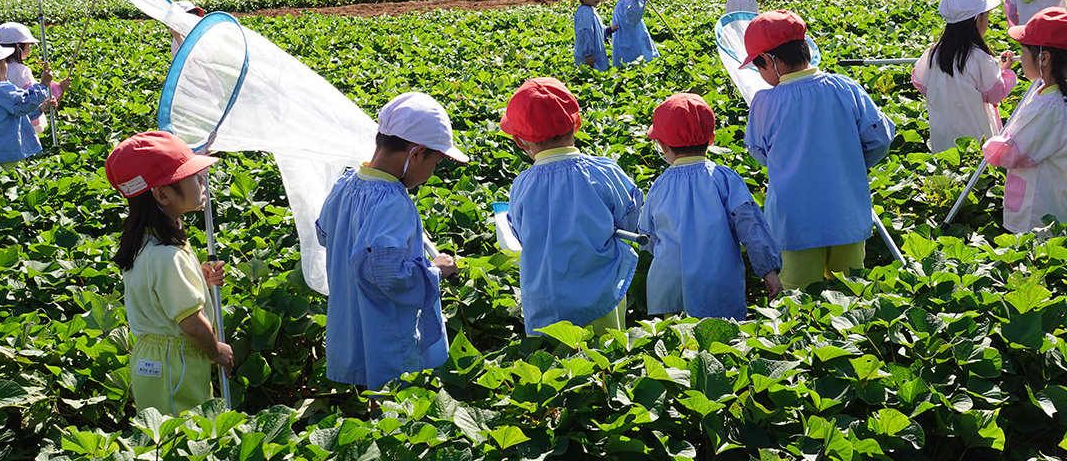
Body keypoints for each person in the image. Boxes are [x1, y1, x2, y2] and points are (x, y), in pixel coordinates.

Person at [316, 92, 467, 390]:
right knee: (393, 403)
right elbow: (387, 275)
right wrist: (436, 270)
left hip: (349, 320)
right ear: (416, 153)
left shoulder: (345, 184)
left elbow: (324, 233)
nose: (431, 172)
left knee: (369, 392)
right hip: (386, 330)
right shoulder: (392, 202)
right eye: (435, 162)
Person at [741, 11, 895, 291]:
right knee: (850, 295)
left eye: (757, 66)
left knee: (799, 303)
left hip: (795, 223)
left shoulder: (764, 103)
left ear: (768, 60)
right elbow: (881, 138)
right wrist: (851, 163)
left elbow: (759, 152)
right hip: (847, 214)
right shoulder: (844, 87)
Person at [103, 131, 232, 416]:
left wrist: (199, 278)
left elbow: (157, 292)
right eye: (192, 177)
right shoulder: (168, 254)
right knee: (186, 432)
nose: (202, 182)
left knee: (159, 434)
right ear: (162, 194)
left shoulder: (145, 243)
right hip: (176, 362)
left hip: (152, 359)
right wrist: (217, 351)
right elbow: (192, 324)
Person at [501, 77, 642, 336]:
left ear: (520, 141)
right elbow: (630, 216)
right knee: (606, 361)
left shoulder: (522, 184)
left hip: (546, 298)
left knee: (554, 366)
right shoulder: (603, 171)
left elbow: (519, 232)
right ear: (576, 123)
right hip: (601, 289)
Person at [639, 93, 782, 320]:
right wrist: (769, 269)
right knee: (721, 346)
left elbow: (647, 236)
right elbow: (750, 225)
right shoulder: (725, 178)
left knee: (678, 346)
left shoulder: (659, 185)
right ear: (712, 138)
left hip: (669, 287)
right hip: (716, 285)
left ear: (662, 146)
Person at [983, 7, 1067, 234]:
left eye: (1023, 51)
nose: (1020, 58)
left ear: (1044, 57)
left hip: (1039, 202)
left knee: (1035, 253)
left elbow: (1011, 153)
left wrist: (991, 144)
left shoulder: (1047, 108)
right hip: (1063, 190)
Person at [911, 0, 1017, 153]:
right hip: (976, 138)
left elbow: (920, 83)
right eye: (986, 16)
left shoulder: (932, 54)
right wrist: (1004, 71)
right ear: (978, 19)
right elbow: (995, 94)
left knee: (949, 170)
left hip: (943, 136)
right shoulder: (980, 57)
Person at [0, 40, 52, 167]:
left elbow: (12, 113)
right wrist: (43, 84)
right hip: (7, 152)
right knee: (13, 180)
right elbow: (24, 104)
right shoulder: (0, 88)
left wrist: (39, 109)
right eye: (4, 62)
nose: (6, 65)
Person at [0, 22, 59, 135]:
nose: (29, 49)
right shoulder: (20, 70)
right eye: (28, 45)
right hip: (28, 118)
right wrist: (58, 88)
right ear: (19, 46)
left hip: (4, 123)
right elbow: (37, 94)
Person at [611, 0, 659, 66]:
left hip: (628, 46)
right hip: (632, 49)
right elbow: (633, 16)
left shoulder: (623, 3)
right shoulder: (625, 4)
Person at [572, 0, 614, 71]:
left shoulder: (591, 10)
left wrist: (609, 30)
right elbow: (585, 32)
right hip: (589, 58)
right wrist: (588, 54)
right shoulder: (584, 12)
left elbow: (598, 31)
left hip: (596, 56)